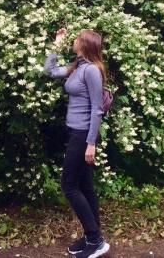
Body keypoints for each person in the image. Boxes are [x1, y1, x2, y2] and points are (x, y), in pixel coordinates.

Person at [44, 27, 110, 258]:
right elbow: (50, 71)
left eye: (76, 38)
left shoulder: (91, 70)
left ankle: (95, 240)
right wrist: (57, 44)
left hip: (84, 135)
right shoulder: (77, 68)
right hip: (76, 133)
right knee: (85, 187)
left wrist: (91, 143)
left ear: (84, 44)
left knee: (69, 186)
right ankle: (93, 236)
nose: (73, 40)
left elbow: (97, 109)